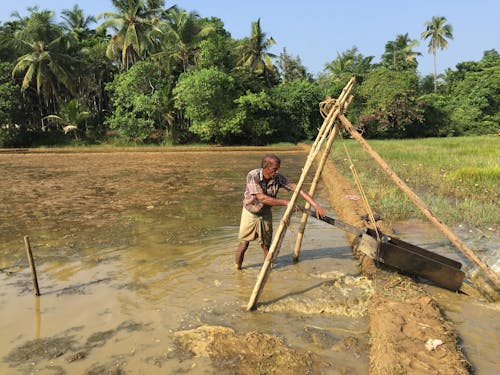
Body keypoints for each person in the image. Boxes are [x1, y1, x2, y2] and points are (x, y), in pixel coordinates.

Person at [235, 154, 327, 270]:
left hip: (266, 213)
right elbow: (261, 198)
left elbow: (297, 189)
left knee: (266, 245)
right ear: (265, 167)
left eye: (278, 168)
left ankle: (268, 269)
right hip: (250, 213)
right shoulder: (253, 176)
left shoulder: (277, 177)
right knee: (244, 244)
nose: (277, 171)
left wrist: (315, 205)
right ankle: (238, 268)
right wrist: (286, 202)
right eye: (274, 169)